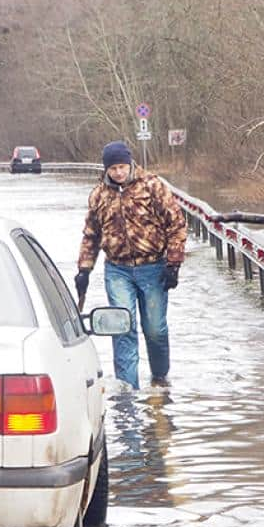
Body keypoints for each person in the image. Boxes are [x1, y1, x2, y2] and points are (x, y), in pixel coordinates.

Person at [75, 140, 186, 389]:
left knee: (155, 329)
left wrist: (174, 263)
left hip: (153, 266)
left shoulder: (152, 186)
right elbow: (91, 234)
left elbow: (176, 224)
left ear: (130, 164)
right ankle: (128, 391)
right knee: (123, 327)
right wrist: (84, 268)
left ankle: (160, 378)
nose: (119, 173)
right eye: (113, 169)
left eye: (122, 167)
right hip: (117, 270)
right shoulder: (98, 195)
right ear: (106, 170)